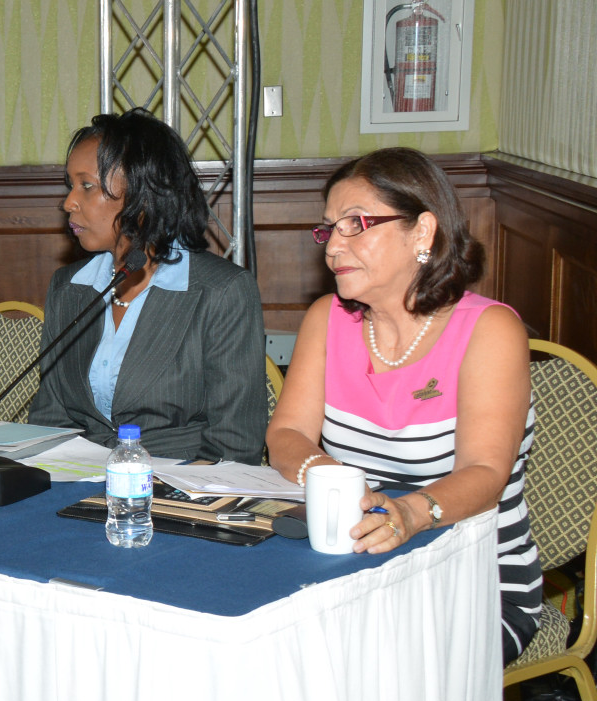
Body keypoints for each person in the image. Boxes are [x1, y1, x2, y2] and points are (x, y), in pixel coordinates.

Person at [267, 147, 540, 664]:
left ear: (422, 232)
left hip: (476, 578)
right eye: (329, 229)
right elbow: (285, 436)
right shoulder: (327, 318)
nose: (333, 247)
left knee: (358, 663)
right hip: (358, 565)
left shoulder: (490, 330)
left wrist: (409, 514)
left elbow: (485, 473)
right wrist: (333, 476)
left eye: (356, 224)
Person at [28, 109, 267, 462]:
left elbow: (234, 445)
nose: (68, 203)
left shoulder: (222, 292)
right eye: (70, 185)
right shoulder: (68, 287)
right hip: (77, 480)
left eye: (87, 186)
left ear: (142, 193)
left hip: (180, 485)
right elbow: (50, 420)